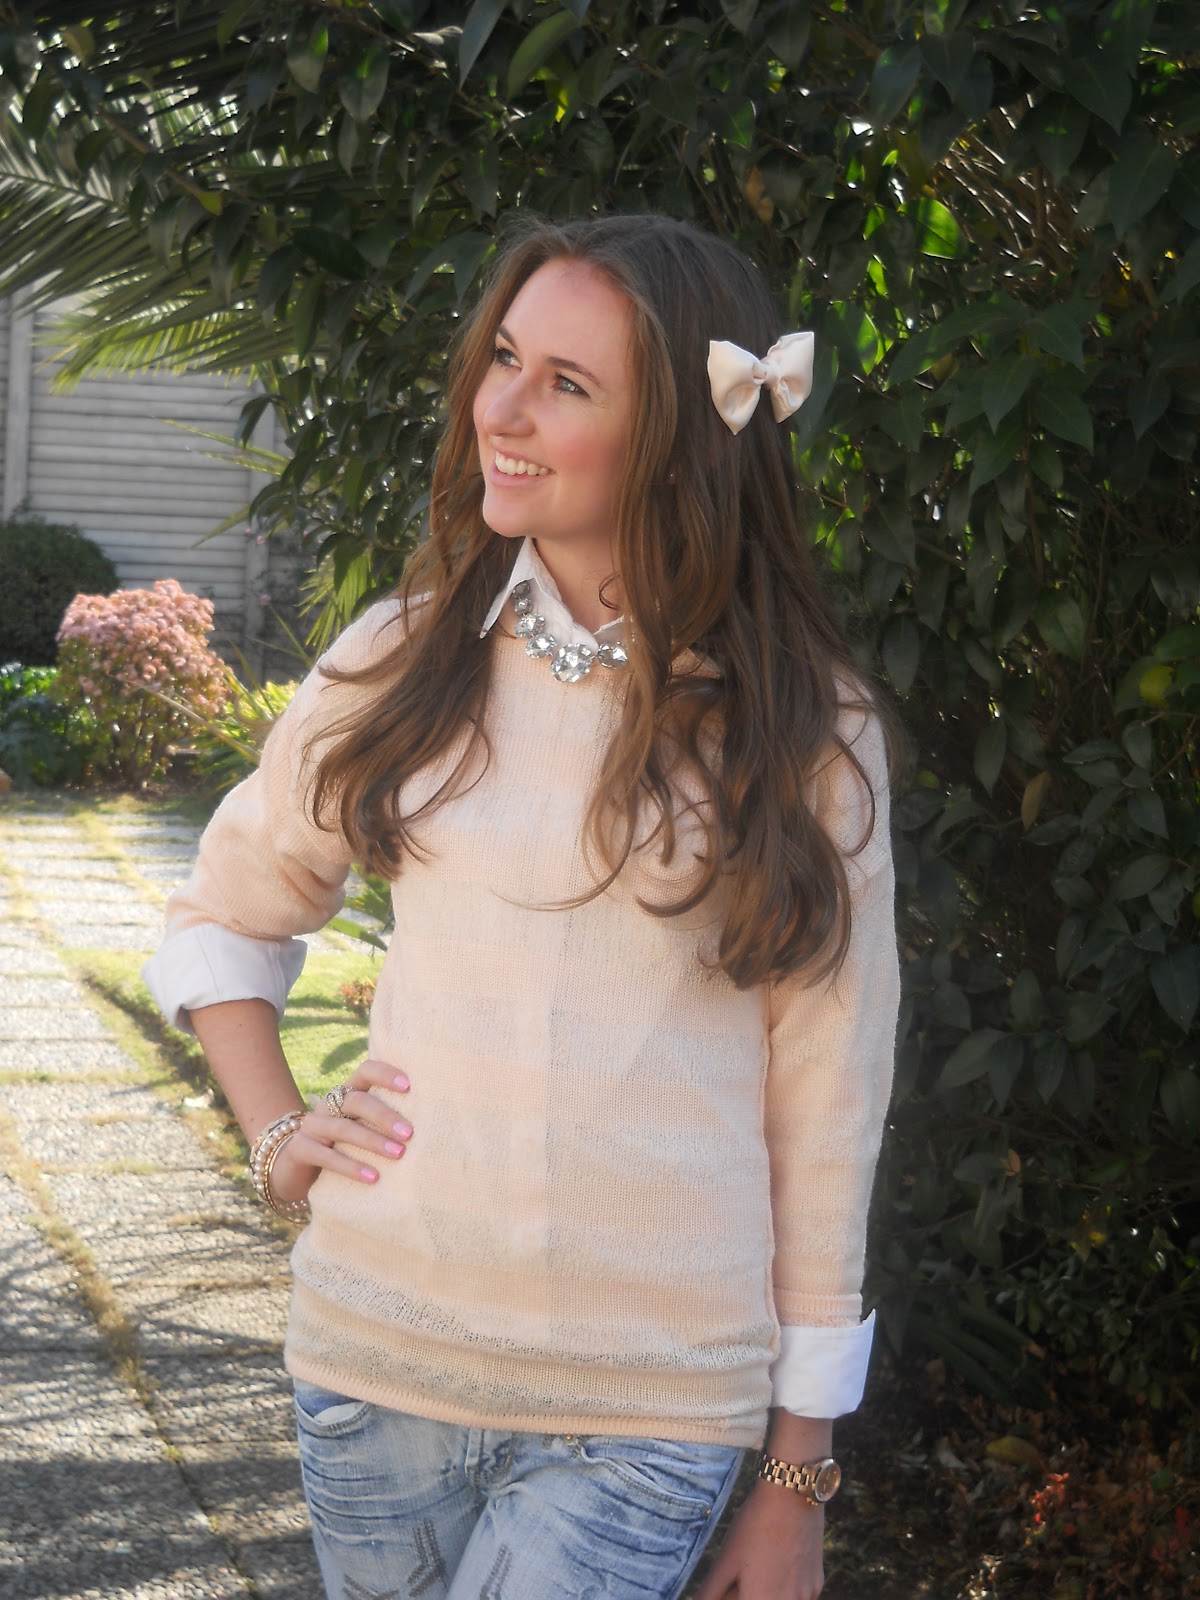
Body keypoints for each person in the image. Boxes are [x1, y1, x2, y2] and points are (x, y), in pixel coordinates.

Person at [144, 212, 900, 1600]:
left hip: (654, 1400)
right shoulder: (403, 657)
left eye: (567, 382)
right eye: (503, 358)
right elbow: (227, 911)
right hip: (376, 1359)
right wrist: (278, 1136)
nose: (500, 409)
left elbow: (829, 1099)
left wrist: (799, 1474)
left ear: (678, 436)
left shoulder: (806, 730)